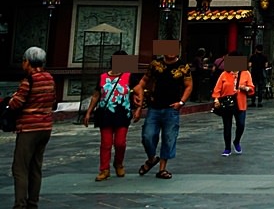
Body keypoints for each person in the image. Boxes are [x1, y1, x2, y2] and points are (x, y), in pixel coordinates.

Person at [133, 45, 193, 179]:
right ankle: (151, 159)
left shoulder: (183, 66)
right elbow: (144, 81)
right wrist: (138, 93)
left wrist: (181, 102)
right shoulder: (155, 64)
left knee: (169, 137)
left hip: (172, 108)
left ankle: (162, 169)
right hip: (154, 107)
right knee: (147, 136)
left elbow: (188, 85)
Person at [8, 46, 55, 209]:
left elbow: (17, 103)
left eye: (24, 61)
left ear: (27, 62)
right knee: (36, 166)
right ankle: (33, 202)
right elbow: (53, 100)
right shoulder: (49, 78)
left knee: (20, 167)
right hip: (45, 127)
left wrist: (11, 99)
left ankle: (20, 204)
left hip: (29, 127)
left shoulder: (29, 80)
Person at [83, 50, 135, 181]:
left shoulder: (129, 76)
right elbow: (96, 95)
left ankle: (119, 163)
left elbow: (138, 91)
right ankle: (104, 169)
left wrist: (138, 107)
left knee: (120, 143)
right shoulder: (102, 77)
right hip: (105, 114)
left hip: (122, 113)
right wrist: (89, 112)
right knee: (106, 143)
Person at [212, 54, 255, 156]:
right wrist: (216, 99)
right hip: (227, 104)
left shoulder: (246, 73)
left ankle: (236, 141)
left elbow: (252, 88)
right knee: (227, 126)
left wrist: (246, 88)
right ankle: (227, 148)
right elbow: (217, 90)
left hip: (240, 103)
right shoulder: (224, 74)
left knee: (241, 124)